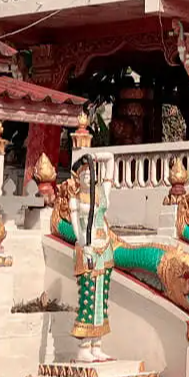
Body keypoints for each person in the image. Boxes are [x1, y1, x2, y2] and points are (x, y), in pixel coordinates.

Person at [70, 153, 115, 362]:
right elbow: (76, 227)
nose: (88, 177)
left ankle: (97, 344)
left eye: (90, 174)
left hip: (104, 248)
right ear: (78, 178)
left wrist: (95, 157)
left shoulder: (101, 192)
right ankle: (84, 346)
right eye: (84, 175)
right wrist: (84, 245)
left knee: (101, 298)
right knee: (88, 295)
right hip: (88, 249)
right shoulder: (76, 198)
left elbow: (111, 160)